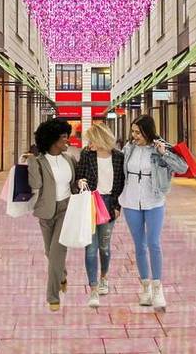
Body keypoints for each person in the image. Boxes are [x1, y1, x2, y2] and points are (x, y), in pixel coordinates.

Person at [119, 115, 188, 309]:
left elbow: (183, 167)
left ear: (147, 131)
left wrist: (164, 153)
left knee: (153, 243)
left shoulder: (160, 147)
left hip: (154, 200)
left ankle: (158, 288)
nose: (134, 136)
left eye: (138, 132)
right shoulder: (129, 148)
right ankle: (145, 288)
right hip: (131, 201)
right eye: (132, 132)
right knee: (139, 246)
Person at [27, 118, 78, 312]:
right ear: (53, 140)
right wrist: (32, 161)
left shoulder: (70, 159)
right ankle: (62, 275)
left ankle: (53, 296)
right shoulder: (39, 161)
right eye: (64, 138)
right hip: (46, 210)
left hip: (66, 209)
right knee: (50, 252)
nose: (68, 141)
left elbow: (74, 184)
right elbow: (36, 185)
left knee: (57, 252)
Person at [75, 124, 125, 308]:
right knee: (90, 249)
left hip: (109, 205)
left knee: (104, 247)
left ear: (101, 139)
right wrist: (79, 182)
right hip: (90, 203)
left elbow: (121, 184)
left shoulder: (119, 157)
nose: (88, 143)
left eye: (91, 140)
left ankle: (104, 277)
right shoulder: (87, 155)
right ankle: (93, 289)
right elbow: (78, 178)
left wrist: (118, 206)